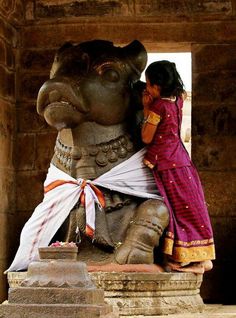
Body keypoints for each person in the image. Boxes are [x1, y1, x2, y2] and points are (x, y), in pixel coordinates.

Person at [141, 60, 215, 274]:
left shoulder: (158, 107)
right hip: (182, 160)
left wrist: (146, 108)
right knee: (189, 207)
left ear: (157, 85)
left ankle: (195, 261)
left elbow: (146, 138)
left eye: (148, 84)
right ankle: (199, 257)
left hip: (165, 162)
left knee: (177, 212)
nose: (146, 88)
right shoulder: (179, 98)